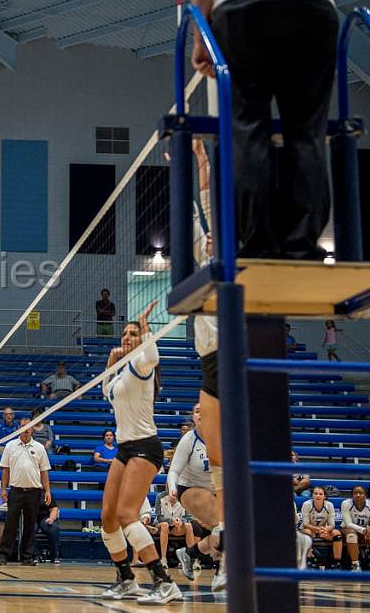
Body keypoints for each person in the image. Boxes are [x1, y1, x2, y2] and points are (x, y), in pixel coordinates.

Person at [190, 0, 370, 259]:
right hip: (309, 7)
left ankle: (257, 242)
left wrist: (199, 34)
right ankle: (302, 243)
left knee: (247, 131)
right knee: (307, 132)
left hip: (242, 7)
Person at [98, 301, 182, 604]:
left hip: (146, 447)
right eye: (124, 333)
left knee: (126, 514)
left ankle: (164, 581)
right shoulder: (122, 374)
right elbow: (106, 390)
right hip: (124, 449)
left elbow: (153, 355)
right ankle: (126, 579)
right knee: (107, 517)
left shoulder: (142, 366)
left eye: (132, 334)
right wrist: (111, 358)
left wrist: (146, 328)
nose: (126, 337)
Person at [185, 136, 227, 591]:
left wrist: (202, 163)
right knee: (217, 461)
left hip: (238, 352)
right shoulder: (202, 254)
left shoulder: (234, 258)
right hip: (210, 362)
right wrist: (195, 162)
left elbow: (211, 202)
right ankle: (227, 552)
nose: (211, 237)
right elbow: (198, 204)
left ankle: (235, 554)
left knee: (232, 461)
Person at [170, 402, 224, 586]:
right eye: (196, 411)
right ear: (193, 417)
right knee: (222, 525)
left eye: (204, 410)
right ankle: (221, 572)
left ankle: (190, 554)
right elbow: (173, 471)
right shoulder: (188, 440)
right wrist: (172, 488)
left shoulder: (221, 437)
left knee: (224, 531)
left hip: (215, 490)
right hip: (189, 489)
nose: (200, 414)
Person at [0, 418, 51, 566]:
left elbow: (44, 471)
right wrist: (3, 489)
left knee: (30, 524)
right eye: (23, 427)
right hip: (15, 491)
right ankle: (3, 555)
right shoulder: (10, 446)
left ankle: (27, 557)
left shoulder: (39, 447)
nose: (26, 430)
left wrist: (47, 491)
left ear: (32, 429)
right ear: (19, 429)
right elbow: (5, 470)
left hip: (34, 492)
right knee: (11, 524)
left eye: (29, 427)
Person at [300, 486, 343, 567]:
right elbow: (305, 523)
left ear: (324, 496)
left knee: (337, 533)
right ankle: (309, 561)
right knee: (307, 532)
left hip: (323, 531)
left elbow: (332, 524)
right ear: (312, 495)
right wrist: (318, 529)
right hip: (310, 529)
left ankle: (337, 563)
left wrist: (326, 529)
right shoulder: (306, 504)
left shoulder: (329, 505)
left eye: (320, 494)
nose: (318, 496)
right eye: (315, 493)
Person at [340, 486, 370, 572]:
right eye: (355, 493)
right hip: (347, 529)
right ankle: (355, 565)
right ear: (352, 495)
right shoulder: (345, 503)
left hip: (365, 531)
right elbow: (348, 524)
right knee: (351, 535)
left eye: (361, 493)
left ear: (366, 495)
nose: (358, 495)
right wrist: (364, 530)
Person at [35, 494, 62, 564]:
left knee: (53, 527)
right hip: (31, 518)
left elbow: (54, 508)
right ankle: (36, 555)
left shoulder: (46, 493)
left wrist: (51, 518)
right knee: (29, 529)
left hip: (45, 517)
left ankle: (54, 555)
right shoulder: (26, 493)